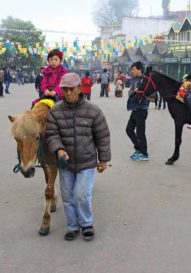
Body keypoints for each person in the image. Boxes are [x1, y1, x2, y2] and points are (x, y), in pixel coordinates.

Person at [46, 73, 111, 241]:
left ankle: (86, 224)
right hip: (65, 163)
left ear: (80, 89)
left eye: (71, 89)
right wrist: (59, 149)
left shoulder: (93, 111)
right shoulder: (55, 111)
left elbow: (102, 136)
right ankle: (72, 226)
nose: (68, 93)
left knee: (82, 194)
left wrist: (103, 160)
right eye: (65, 89)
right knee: (67, 197)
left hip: (87, 161)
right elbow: (51, 134)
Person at [126, 61, 150, 161]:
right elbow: (130, 92)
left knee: (140, 133)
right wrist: (134, 91)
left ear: (139, 70)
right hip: (135, 109)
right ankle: (139, 149)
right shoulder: (134, 79)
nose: (132, 72)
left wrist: (136, 91)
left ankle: (144, 154)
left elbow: (145, 94)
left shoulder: (145, 80)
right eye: (131, 70)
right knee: (129, 129)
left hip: (141, 109)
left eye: (134, 70)